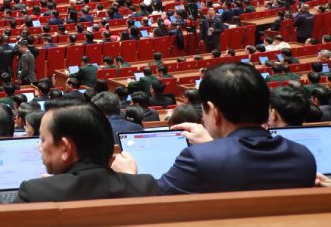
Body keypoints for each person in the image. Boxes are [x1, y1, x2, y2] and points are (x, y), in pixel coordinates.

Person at [112, 62, 317, 194]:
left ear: (214, 111)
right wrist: (214, 144)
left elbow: (154, 201)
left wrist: (130, 176)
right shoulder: (303, 156)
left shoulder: (200, 159)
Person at [0, 101, 160, 204]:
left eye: (43, 140)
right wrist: (131, 180)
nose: (39, 147)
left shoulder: (36, 192)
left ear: (65, 148)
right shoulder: (145, 185)